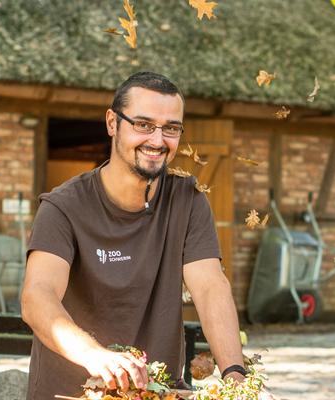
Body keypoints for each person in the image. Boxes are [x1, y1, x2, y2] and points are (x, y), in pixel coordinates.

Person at [21, 71, 275, 400]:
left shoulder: (189, 202)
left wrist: (235, 377)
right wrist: (95, 356)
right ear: (113, 123)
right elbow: (36, 296)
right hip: (70, 394)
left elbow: (210, 287)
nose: (157, 140)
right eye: (143, 125)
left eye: (170, 128)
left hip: (159, 392)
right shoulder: (62, 207)